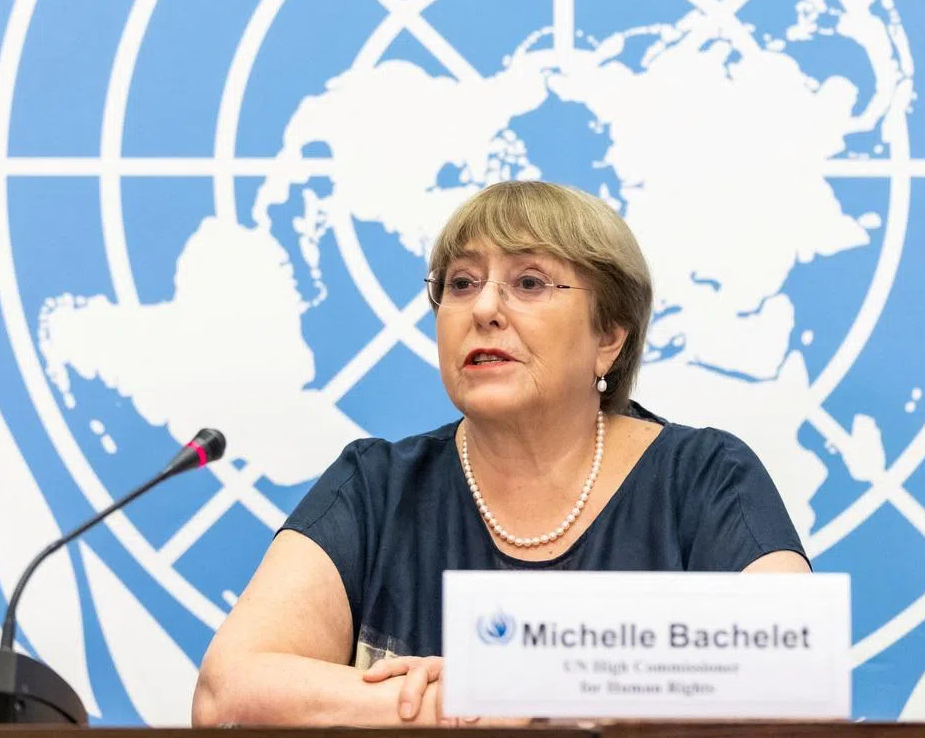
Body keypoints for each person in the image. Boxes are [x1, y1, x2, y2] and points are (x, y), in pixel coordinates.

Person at [192, 181, 809, 727]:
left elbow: (793, 680)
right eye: (461, 283)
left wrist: (524, 690)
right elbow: (227, 691)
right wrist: (449, 707)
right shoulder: (377, 486)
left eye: (529, 283)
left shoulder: (704, 479)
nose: (484, 309)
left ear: (609, 338)